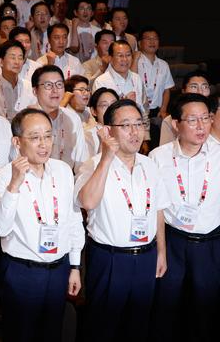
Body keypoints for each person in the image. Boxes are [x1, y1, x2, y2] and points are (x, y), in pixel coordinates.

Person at [75, 99, 169, 342]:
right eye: (125, 125)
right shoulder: (93, 165)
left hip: (146, 257)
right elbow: (87, 202)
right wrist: (107, 157)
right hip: (110, 258)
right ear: (109, 131)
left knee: (138, 326)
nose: (134, 131)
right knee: (103, 326)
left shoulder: (150, 165)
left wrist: (161, 251)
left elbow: (158, 210)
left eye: (139, 123)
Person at [0, 107, 84, 341]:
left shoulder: (62, 171)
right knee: (20, 334)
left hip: (59, 268)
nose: (44, 144)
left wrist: (74, 266)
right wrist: (14, 185)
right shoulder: (2, 177)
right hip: (22, 272)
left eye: (48, 135)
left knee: (52, 333)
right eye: (35, 137)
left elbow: (74, 221)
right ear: (17, 141)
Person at [149, 93, 219, 342]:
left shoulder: (218, 154)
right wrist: (160, 250)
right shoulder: (158, 157)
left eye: (206, 118)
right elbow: (156, 207)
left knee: (205, 311)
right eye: (192, 120)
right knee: (167, 308)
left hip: (211, 244)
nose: (201, 126)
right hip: (173, 242)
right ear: (176, 124)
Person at [93, 40, 149, 149]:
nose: (125, 59)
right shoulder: (101, 81)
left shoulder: (136, 78)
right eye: (120, 56)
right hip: (113, 135)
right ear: (110, 58)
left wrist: (145, 137)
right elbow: (100, 115)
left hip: (136, 134)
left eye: (128, 55)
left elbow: (144, 108)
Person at [32, 65, 88, 172]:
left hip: (67, 182)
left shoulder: (72, 118)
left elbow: (81, 161)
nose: (55, 90)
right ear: (35, 91)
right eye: (48, 85)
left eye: (59, 85)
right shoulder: (27, 120)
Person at [131, 27, 175, 149]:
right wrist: (134, 59)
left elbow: (167, 89)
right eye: (148, 38)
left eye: (155, 39)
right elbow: (131, 81)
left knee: (157, 145)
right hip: (138, 110)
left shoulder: (163, 64)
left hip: (156, 112)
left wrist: (163, 108)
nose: (152, 41)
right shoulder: (134, 61)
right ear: (140, 43)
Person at [159, 70, 211, 146]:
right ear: (183, 91)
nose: (200, 91)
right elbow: (165, 151)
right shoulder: (171, 121)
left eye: (205, 87)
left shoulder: (216, 116)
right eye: (194, 87)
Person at [0, 40, 36, 121]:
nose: (17, 62)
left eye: (20, 58)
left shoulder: (29, 87)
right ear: (1, 61)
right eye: (13, 57)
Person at [84, 87, 120, 157]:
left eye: (114, 104)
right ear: (93, 111)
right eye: (104, 105)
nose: (110, 109)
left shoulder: (124, 131)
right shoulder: (87, 136)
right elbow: (88, 166)